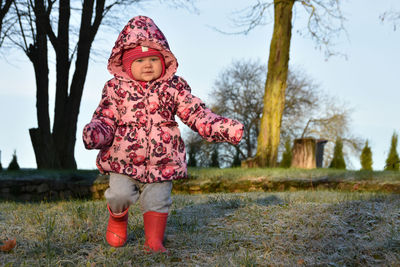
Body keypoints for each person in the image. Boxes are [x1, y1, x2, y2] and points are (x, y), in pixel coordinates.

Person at [82, 15, 244, 253]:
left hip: (163, 161)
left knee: (158, 201)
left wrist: (224, 127)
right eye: (140, 61)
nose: (147, 65)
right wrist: (97, 133)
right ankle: (118, 219)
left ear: (164, 60)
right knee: (119, 194)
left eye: (153, 59)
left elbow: (197, 113)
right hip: (123, 160)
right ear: (127, 65)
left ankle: (154, 240)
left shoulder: (173, 87)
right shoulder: (116, 89)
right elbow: (106, 118)